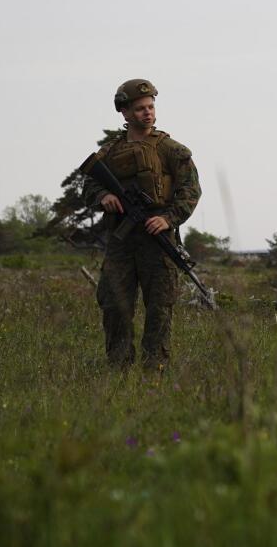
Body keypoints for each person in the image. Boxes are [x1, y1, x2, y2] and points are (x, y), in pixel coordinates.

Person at [82, 78, 202, 369]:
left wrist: (167, 219)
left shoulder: (172, 150)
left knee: (160, 308)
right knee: (114, 306)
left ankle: (154, 369)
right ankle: (119, 368)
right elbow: (88, 187)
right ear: (124, 112)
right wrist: (104, 196)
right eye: (139, 109)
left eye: (150, 107)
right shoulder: (109, 153)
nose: (147, 113)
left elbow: (191, 191)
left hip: (157, 242)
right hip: (121, 243)